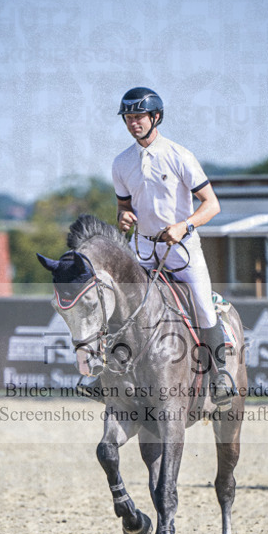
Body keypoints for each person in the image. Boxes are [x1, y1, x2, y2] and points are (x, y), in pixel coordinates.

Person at [112, 86, 236, 403]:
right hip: (143, 251)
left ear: (156, 117)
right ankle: (108, 375)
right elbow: (124, 207)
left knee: (205, 309)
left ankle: (219, 376)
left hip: (182, 250)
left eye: (138, 116)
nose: (132, 123)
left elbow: (211, 205)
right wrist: (124, 217)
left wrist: (185, 225)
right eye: (128, 117)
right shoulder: (121, 163)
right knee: (119, 306)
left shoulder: (180, 156)